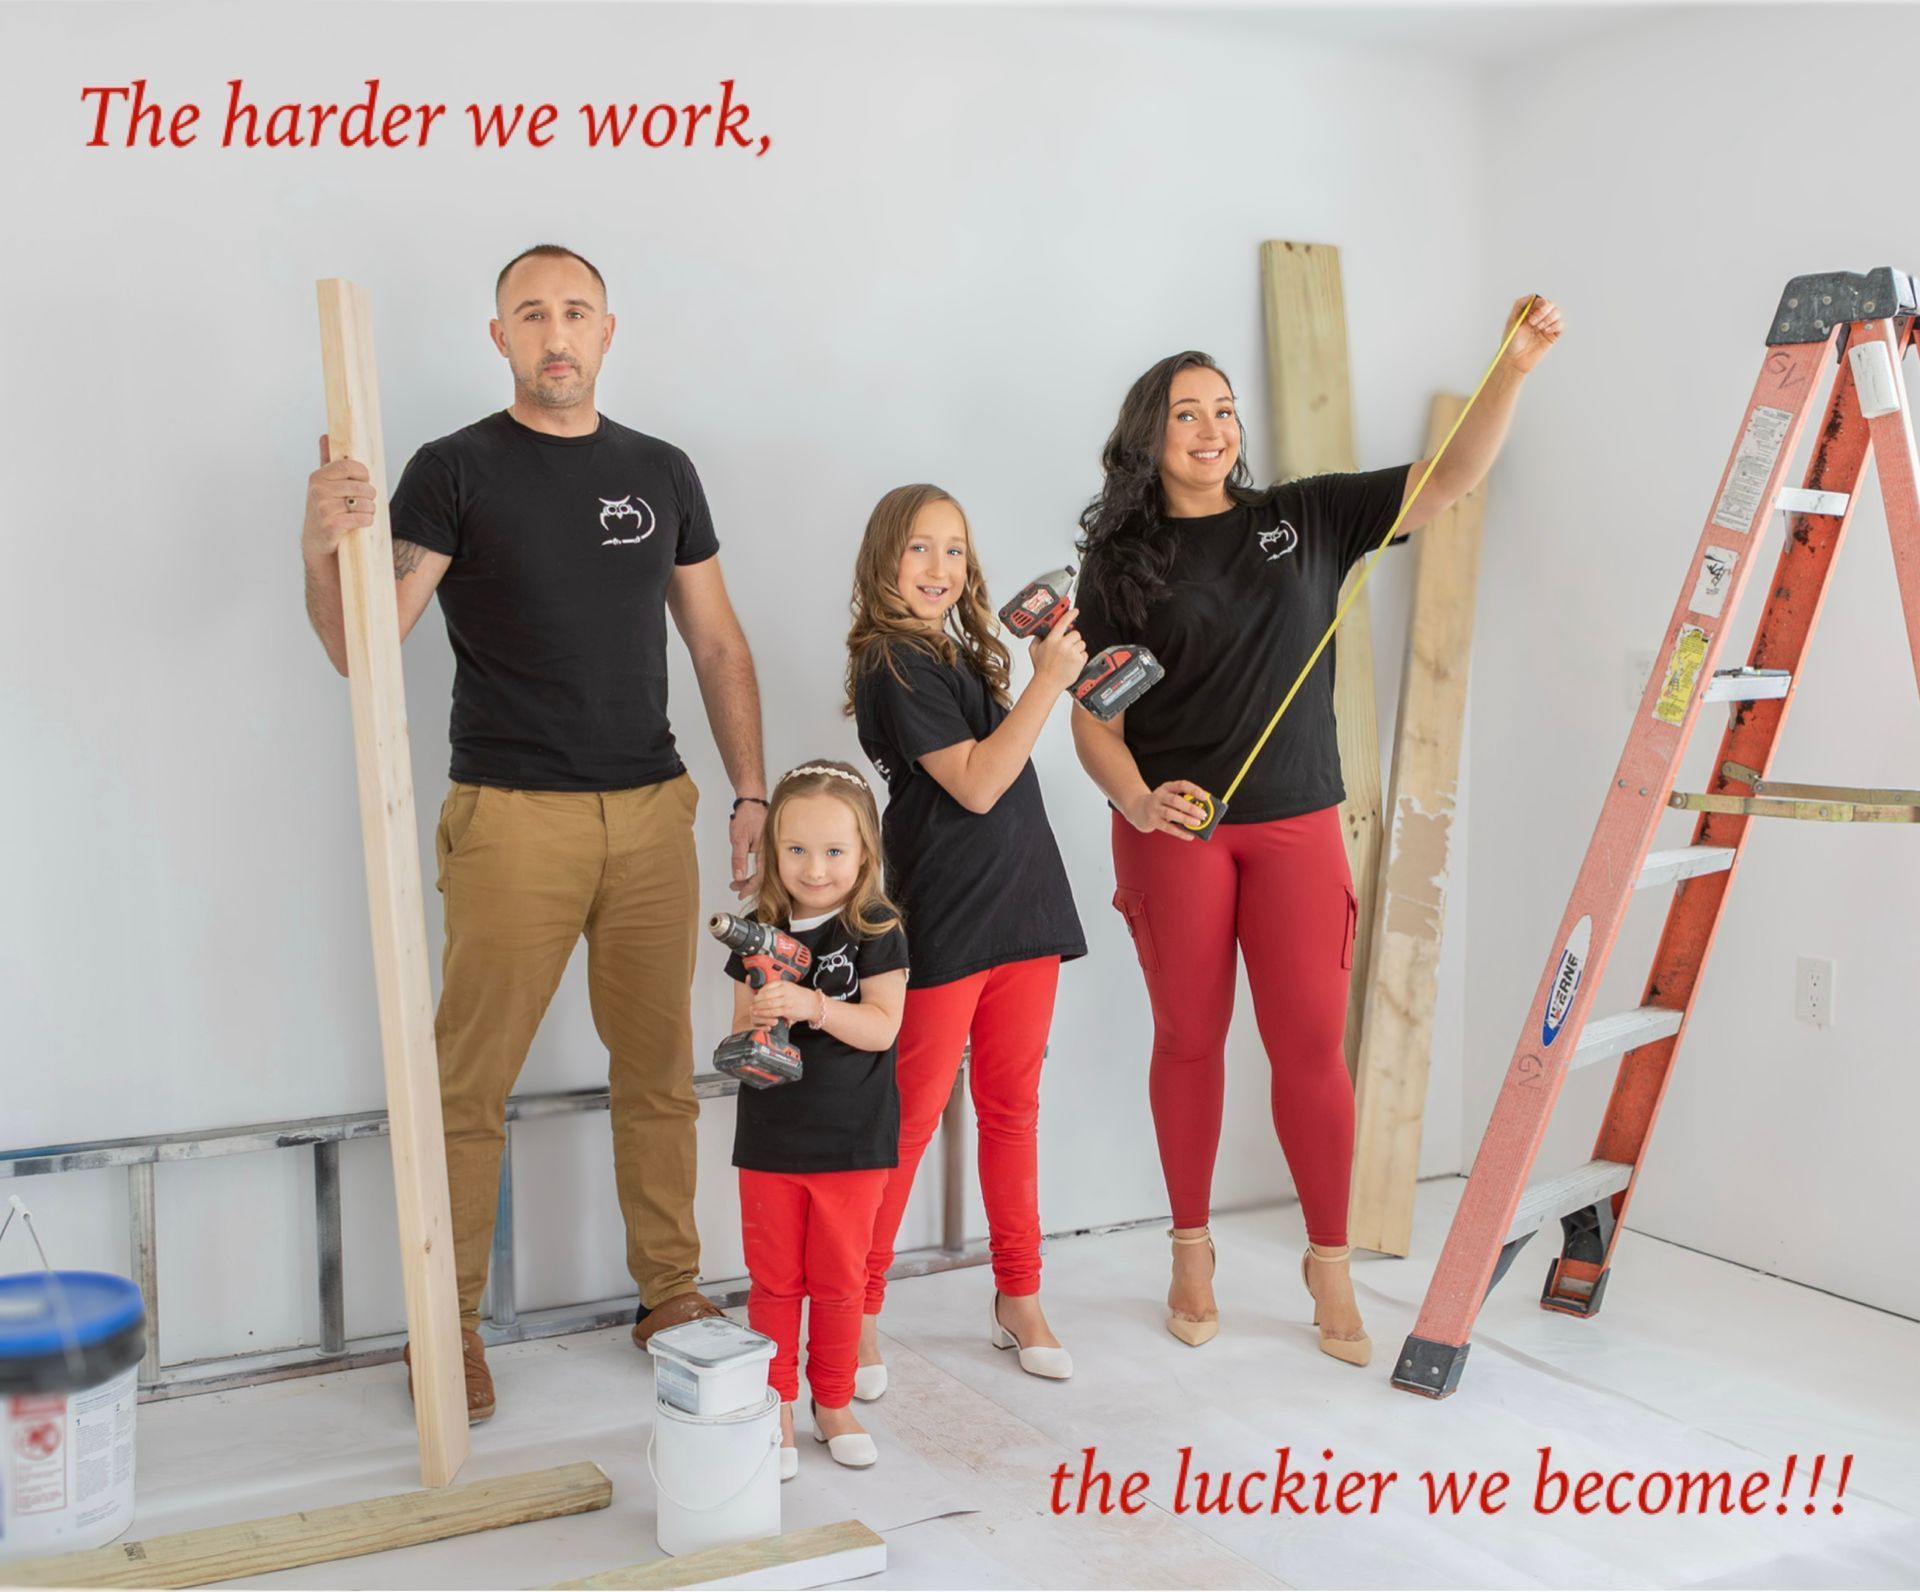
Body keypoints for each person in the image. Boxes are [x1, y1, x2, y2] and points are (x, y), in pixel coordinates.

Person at [299, 243, 771, 1420]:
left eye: (575, 311)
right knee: (470, 1082)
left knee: (658, 1072)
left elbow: (716, 642)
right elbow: (363, 645)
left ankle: (670, 1291)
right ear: (497, 335)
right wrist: (324, 544)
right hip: (511, 818)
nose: (555, 332)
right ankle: (445, 1320)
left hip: (653, 812)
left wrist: (749, 790)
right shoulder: (453, 469)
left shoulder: (662, 468)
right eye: (530, 313)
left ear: (610, 329)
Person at [1070, 296, 1562, 1363]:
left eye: (1226, 410)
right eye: (1188, 414)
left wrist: (1511, 368)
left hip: (1297, 824)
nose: (1213, 430)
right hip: (1176, 834)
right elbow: (1093, 721)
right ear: (1149, 435)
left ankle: (1326, 1262)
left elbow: (1449, 478)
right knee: (1189, 1040)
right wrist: (1137, 799)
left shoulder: (1306, 517)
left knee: (1308, 1050)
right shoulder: (1119, 564)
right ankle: (1190, 1249)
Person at [845, 485, 1088, 1391]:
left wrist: (1033, 677)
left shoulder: (950, 656)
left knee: (1012, 1112)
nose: (939, 568)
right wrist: (1048, 683)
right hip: (948, 914)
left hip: (1023, 907)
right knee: (907, 1120)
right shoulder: (891, 664)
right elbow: (980, 785)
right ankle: (856, 1309)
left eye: (954, 550)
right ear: (883, 562)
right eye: (918, 549)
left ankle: (1017, 1296)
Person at [724, 761, 909, 1475]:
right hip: (771, 1138)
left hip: (854, 1142)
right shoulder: (757, 932)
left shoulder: (876, 927)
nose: (816, 867)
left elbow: (884, 1027)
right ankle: (776, 1404)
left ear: (865, 853)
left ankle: (832, 1401)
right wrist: (759, 1021)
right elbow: (737, 1032)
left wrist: (815, 1008)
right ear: (774, 852)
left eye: (835, 851)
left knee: (839, 1281)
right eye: (796, 849)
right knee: (775, 1281)